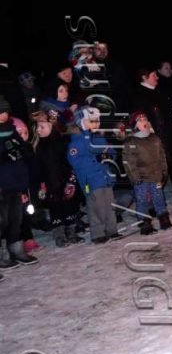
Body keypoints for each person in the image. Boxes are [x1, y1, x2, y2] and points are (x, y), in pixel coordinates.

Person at [132, 68, 172, 203]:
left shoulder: (159, 91)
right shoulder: (140, 95)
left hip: (168, 134)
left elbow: (167, 110)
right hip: (155, 138)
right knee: (157, 169)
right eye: (154, 75)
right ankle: (154, 200)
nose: (157, 77)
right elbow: (140, 119)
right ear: (144, 77)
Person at [67, 106, 121, 243]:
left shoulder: (98, 138)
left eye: (97, 120)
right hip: (90, 179)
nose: (96, 124)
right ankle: (97, 233)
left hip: (105, 177)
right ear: (81, 122)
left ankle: (112, 230)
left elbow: (110, 151)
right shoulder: (77, 141)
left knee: (110, 205)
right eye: (92, 121)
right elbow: (75, 161)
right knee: (96, 207)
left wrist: (109, 156)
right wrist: (96, 159)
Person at [31, 111, 83, 247]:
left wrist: (71, 179)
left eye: (42, 127)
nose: (38, 130)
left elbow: (70, 161)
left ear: (52, 126)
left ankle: (71, 232)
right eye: (37, 127)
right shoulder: (39, 146)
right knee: (55, 209)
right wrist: (41, 184)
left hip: (66, 181)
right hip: (50, 184)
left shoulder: (63, 142)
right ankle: (59, 235)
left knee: (70, 206)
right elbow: (39, 167)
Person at [0, 96, 39, 269]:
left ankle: (16, 248)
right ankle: (2, 254)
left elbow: (22, 151)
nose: (3, 115)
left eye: (5, 111)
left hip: (15, 181)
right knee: (2, 221)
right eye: (0, 112)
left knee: (16, 218)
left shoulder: (11, 129)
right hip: (2, 183)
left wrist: (22, 150)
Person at [122, 112, 171, 234]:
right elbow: (129, 162)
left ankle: (163, 218)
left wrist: (164, 172)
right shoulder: (131, 141)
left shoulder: (155, 138)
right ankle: (145, 224)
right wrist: (135, 177)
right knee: (142, 201)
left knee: (159, 198)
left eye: (145, 119)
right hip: (141, 178)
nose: (143, 122)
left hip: (155, 176)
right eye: (140, 120)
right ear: (135, 125)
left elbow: (162, 156)